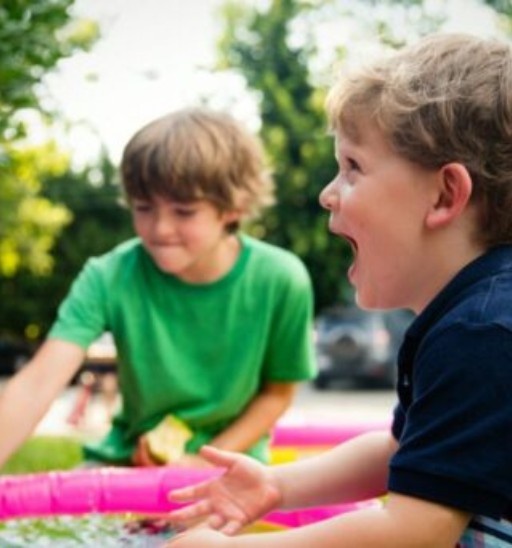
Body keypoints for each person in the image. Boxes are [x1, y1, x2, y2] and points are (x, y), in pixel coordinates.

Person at [164, 33, 512, 547]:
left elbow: (416, 532)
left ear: (444, 195)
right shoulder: (468, 318)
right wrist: (277, 485)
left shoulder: (481, 334)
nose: (328, 194)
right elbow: (402, 450)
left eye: (353, 167)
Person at [0, 107, 316, 469]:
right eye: (144, 207)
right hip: (126, 463)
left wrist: (203, 462)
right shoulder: (108, 275)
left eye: (183, 212)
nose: (160, 229)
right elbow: (38, 382)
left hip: (232, 469)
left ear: (234, 207)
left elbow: (277, 394)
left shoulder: (281, 279)